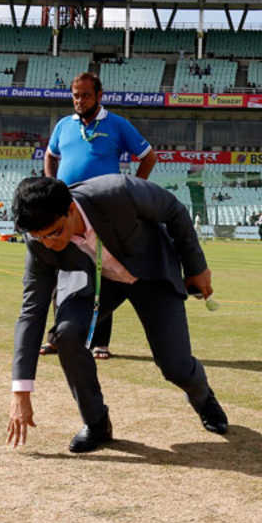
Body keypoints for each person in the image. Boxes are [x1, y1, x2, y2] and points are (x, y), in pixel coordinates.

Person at [6, 175, 227, 453]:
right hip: (96, 284)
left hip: (151, 273)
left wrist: (196, 268)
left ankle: (203, 397)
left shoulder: (118, 192)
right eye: (39, 237)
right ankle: (96, 423)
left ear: (71, 209)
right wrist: (21, 390)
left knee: (175, 367)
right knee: (66, 335)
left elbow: (174, 209)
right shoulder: (37, 240)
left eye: (55, 232)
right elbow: (32, 311)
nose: (48, 243)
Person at [40, 72, 157, 360]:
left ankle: (100, 342)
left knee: (101, 277)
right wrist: (51, 185)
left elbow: (148, 156)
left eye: (86, 95)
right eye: (75, 95)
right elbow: (50, 155)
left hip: (103, 214)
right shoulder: (64, 126)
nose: (79, 100)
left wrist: (131, 190)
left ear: (99, 96)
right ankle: (58, 337)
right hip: (67, 213)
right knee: (63, 275)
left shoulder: (117, 125)